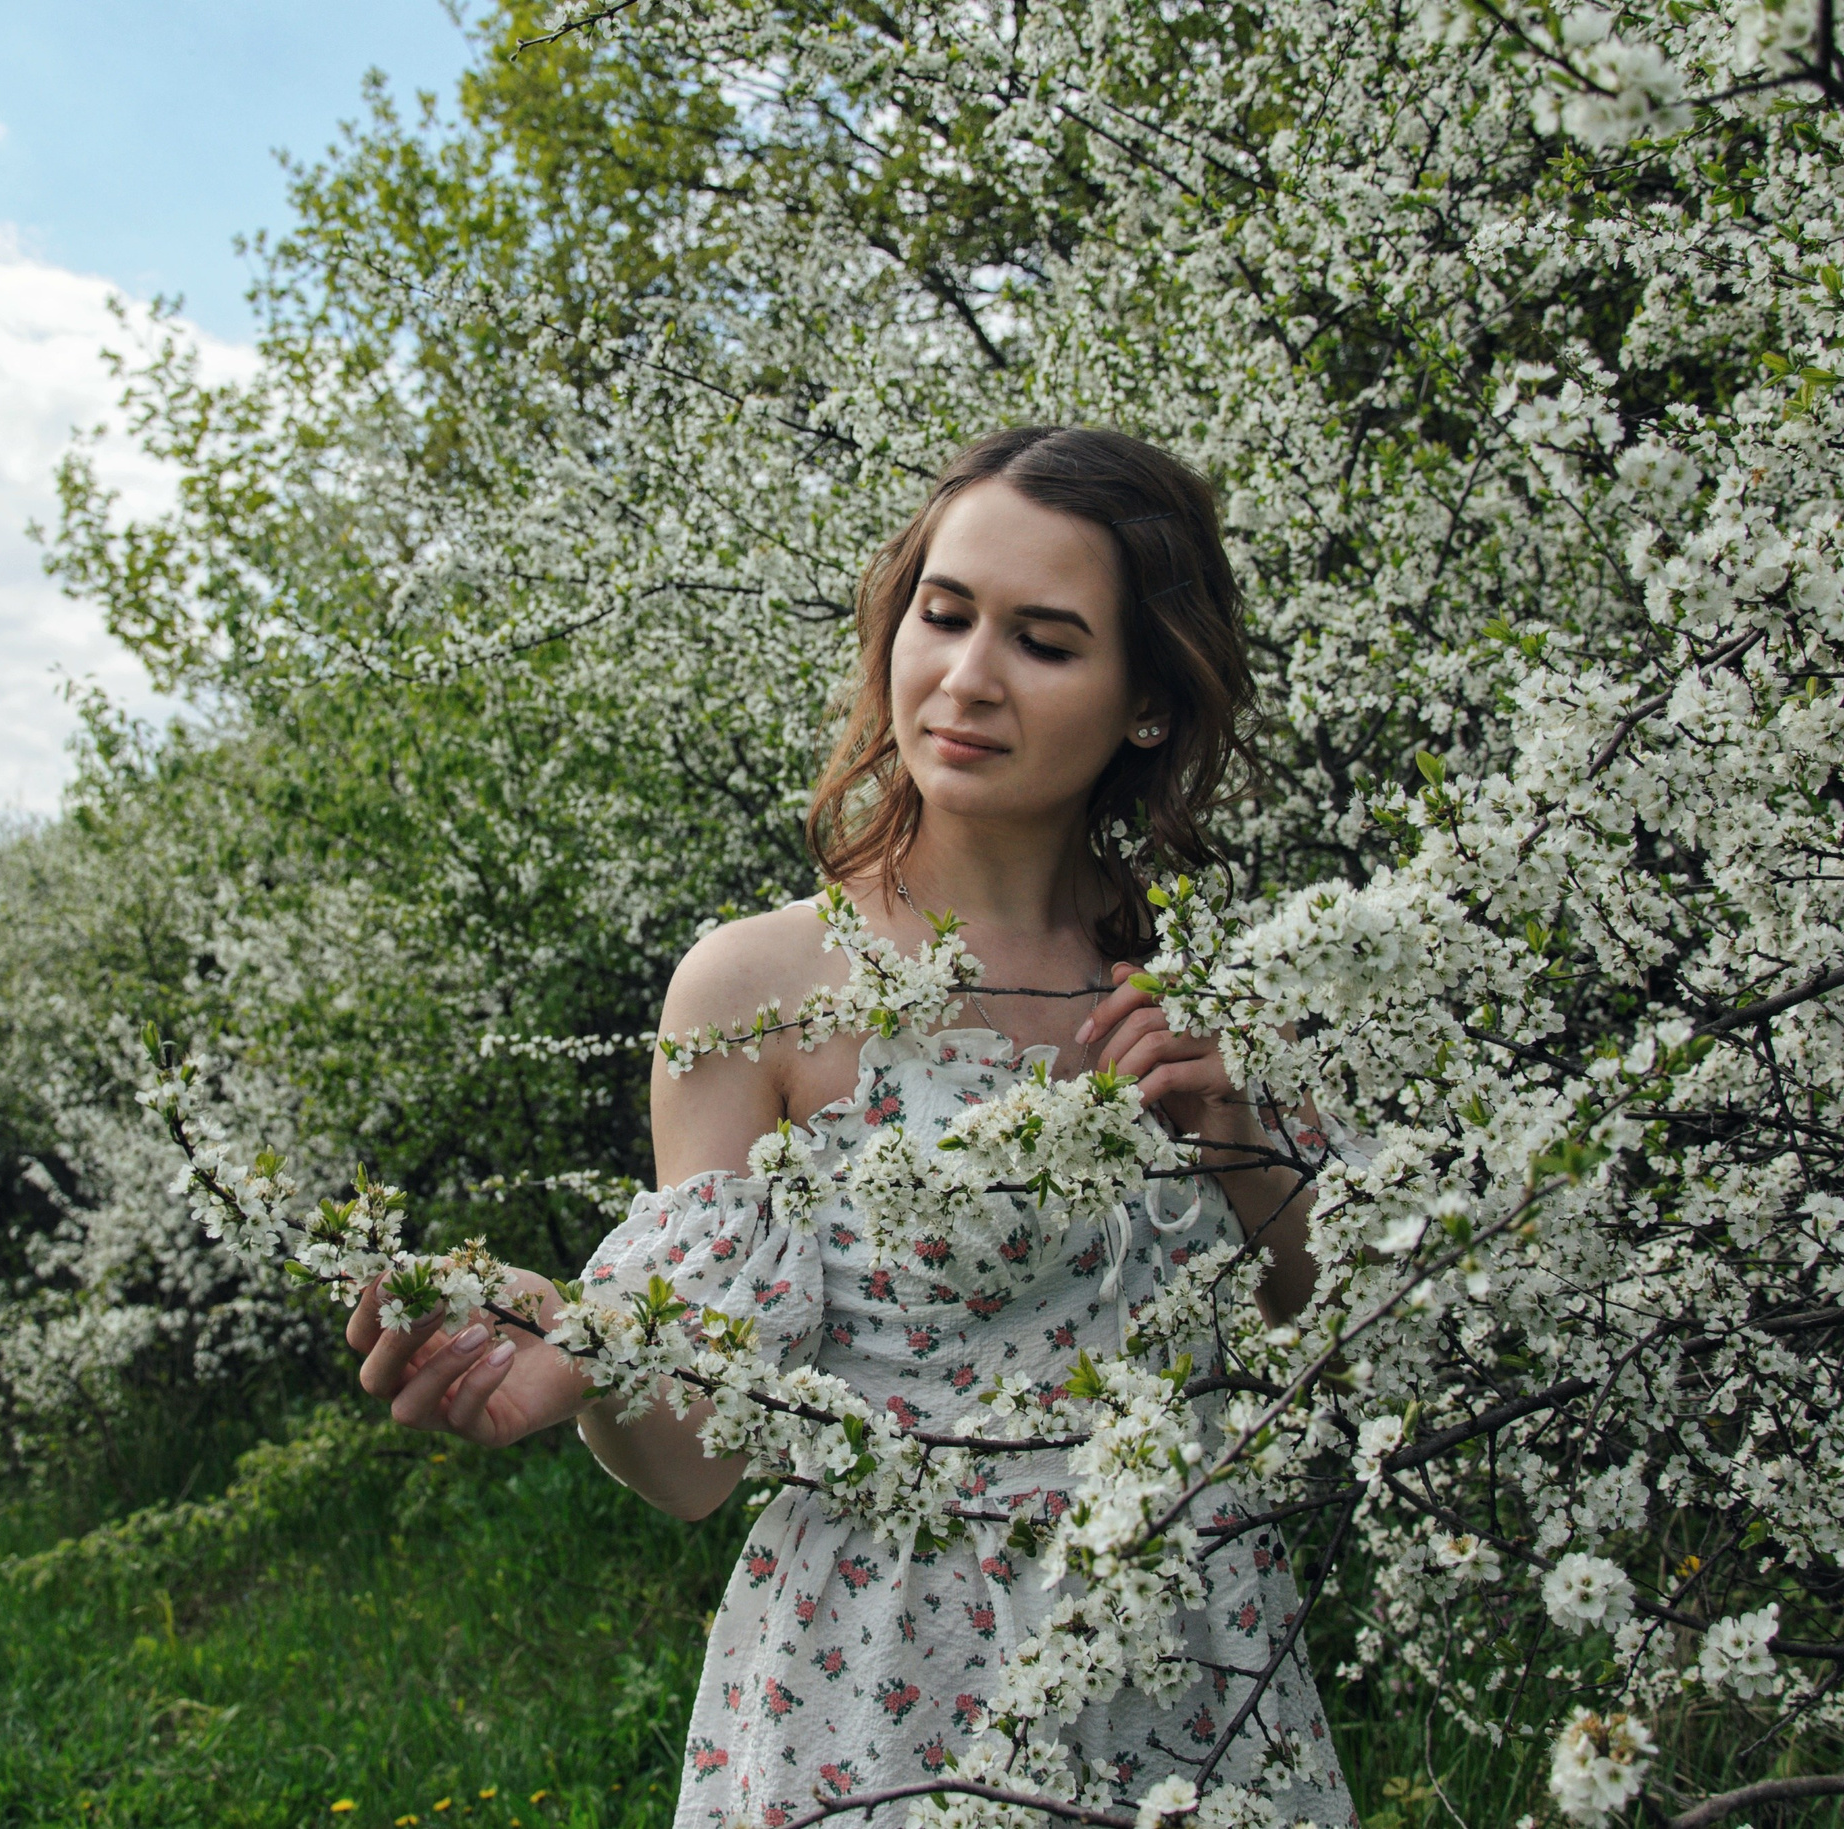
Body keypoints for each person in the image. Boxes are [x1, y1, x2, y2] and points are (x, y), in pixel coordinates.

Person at [344, 427, 1354, 1824]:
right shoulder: (761, 992)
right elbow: (696, 1462)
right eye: (944, 615)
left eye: (1046, 642)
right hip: (879, 1694)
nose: (966, 677)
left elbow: (1347, 1331)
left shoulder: (1210, 988)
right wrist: (581, 1353)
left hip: (1186, 1667)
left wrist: (1236, 1126)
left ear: (1147, 704)